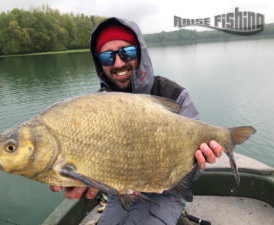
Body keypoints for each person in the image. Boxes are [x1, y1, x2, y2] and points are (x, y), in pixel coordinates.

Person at [50, 17, 222, 225]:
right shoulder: (95, 109)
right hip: (120, 192)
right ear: (99, 63)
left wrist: (199, 163)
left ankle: (178, 218)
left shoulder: (174, 94)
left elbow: (192, 170)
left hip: (167, 192)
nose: (119, 63)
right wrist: (80, 176)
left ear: (140, 53)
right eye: (107, 57)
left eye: (127, 52)